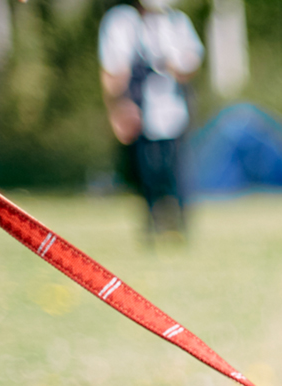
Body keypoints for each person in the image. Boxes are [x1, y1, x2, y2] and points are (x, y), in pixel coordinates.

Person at [99, 0, 204, 239]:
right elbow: (114, 72)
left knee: (176, 171)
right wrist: (117, 109)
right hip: (139, 111)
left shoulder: (177, 22)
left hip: (174, 110)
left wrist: (173, 63)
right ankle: (152, 222)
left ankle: (179, 223)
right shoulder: (123, 22)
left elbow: (190, 63)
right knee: (144, 173)